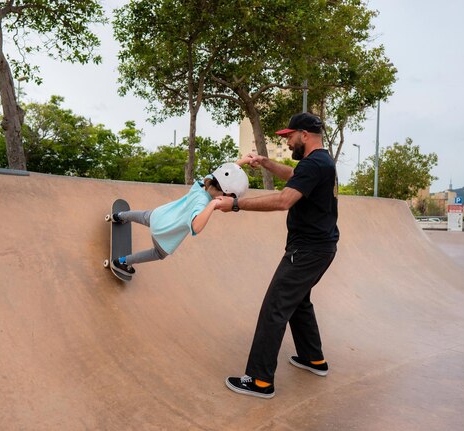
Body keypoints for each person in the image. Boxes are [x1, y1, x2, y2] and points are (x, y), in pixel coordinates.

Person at [218, 112, 339, 399]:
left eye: (289, 137)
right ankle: (313, 358)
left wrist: (236, 205)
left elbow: (285, 200)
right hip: (321, 247)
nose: (286, 142)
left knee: (275, 307)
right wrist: (266, 163)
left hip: (307, 250)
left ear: (305, 135)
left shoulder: (314, 163)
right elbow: (294, 176)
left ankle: (260, 380)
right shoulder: (321, 162)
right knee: (298, 302)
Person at [110, 161, 250, 279]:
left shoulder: (203, 184)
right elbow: (196, 227)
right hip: (165, 234)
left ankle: (119, 216)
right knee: (157, 254)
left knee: (144, 216)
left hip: (159, 216)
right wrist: (214, 203)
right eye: (232, 198)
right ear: (225, 194)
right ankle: (121, 262)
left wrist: (242, 162)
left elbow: (225, 175)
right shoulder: (203, 203)